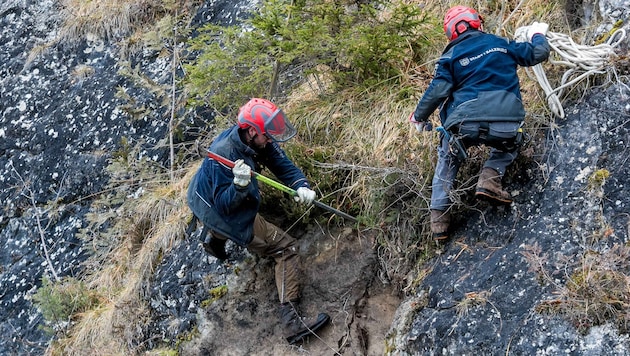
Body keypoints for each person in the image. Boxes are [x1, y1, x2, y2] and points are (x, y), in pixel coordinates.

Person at [187, 98, 330, 344]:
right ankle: (292, 323)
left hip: (203, 196)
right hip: (222, 212)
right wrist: (240, 186)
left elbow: (281, 164)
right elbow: (225, 205)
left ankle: (214, 238)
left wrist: (301, 185)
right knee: (286, 249)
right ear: (252, 131)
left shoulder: (254, 141)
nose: (271, 139)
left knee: (253, 214)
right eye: (267, 135)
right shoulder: (225, 154)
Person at [410, 5, 551, 241]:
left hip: (465, 125)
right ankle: (490, 178)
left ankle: (439, 220)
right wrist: (537, 34)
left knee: (448, 154)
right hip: (505, 123)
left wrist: (419, 116)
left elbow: (439, 90)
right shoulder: (503, 44)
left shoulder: (449, 57)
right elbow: (538, 53)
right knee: (511, 142)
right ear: (477, 22)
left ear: (450, 33)